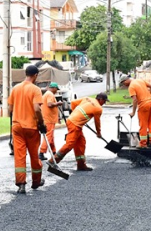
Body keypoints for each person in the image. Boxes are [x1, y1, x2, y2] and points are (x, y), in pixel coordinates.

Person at [7, 65, 46, 194]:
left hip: (17, 127)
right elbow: (37, 109)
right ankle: (36, 182)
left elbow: (10, 110)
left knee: (19, 156)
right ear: (35, 75)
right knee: (34, 155)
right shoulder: (35, 89)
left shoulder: (15, 88)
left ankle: (21, 184)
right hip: (31, 127)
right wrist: (41, 123)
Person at [49, 92, 108, 172]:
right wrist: (98, 133)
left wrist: (75, 114)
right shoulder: (98, 108)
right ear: (100, 99)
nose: (104, 103)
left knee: (81, 143)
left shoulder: (88, 98)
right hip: (75, 124)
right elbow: (97, 122)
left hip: (72, 121)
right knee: (70, 144)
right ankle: (53, 160)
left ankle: (81, 165)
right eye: (104, 101)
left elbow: (73, 103)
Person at [119, 75, 151, 148]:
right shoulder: (140, 80)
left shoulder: (131, 87)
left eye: (123, 83)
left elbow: (135, 100)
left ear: (126, 80)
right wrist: (149, 95)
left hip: (144, 105)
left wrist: (133, 112)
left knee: (143, 124)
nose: (124, 85)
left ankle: (143, 144)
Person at [38, 82, 63, 161]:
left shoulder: (47, 94)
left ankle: (54, 152)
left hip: (48, 118)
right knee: (49, 136)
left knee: (51, 137)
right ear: (54, 88)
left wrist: (58, 117)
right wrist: (57, 103)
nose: (56, 91)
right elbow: (49, 104)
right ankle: (41, 152)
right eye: (56, 89)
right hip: (49, 119)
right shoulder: (50, 94)